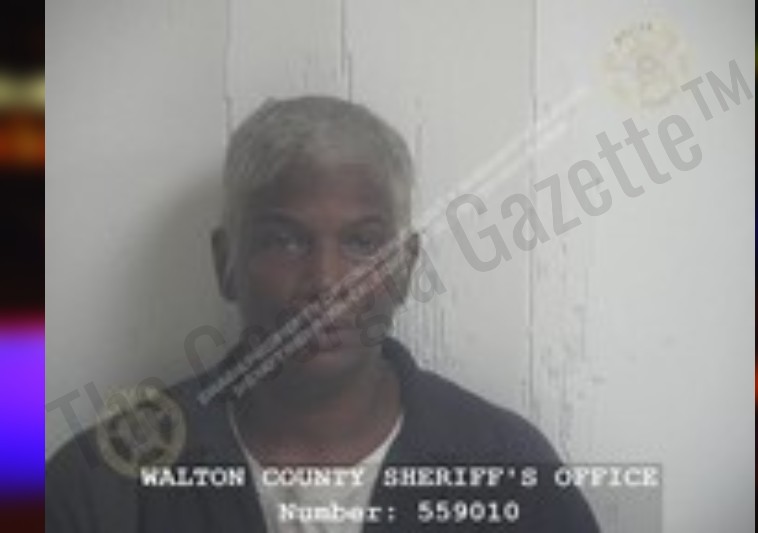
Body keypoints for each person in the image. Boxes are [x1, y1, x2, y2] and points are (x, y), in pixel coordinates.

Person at [46, 96, 599, 532]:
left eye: (362, 243)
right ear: (225, 265)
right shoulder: (103, 484)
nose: (326, 282)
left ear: (405, 269)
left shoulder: (509, 471)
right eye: (284, 240)